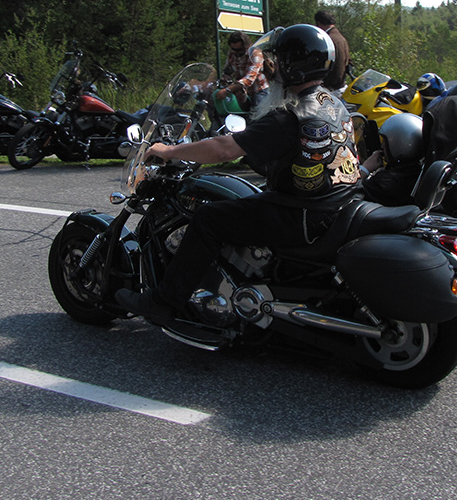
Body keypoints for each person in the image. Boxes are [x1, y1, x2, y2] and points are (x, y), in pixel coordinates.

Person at [116, 24, 362, 323]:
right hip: (334, 207)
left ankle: (164, 302)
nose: (273, 69)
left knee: (208, 219)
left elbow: (224, 150)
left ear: (290, 65)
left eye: (277, 61)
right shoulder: (333, 102)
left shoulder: (289, 116)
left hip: (300, 215)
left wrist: (168, 151)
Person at [214, 30, 269, 110]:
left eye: (239, 50)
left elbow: (249, 79)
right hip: (241, 92)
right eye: (233, 49)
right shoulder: (232, 54)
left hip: (258, 90)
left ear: (246, 46)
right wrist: (222, 85)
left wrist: (227, 90)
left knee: (259, 111)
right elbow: (227, 72)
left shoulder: (255, 53)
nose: (236, 52)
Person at [313, 10, 351, 95]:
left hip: (331, 89)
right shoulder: (340, 37)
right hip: (341, 85)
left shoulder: (327, 39)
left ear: (318, 23)